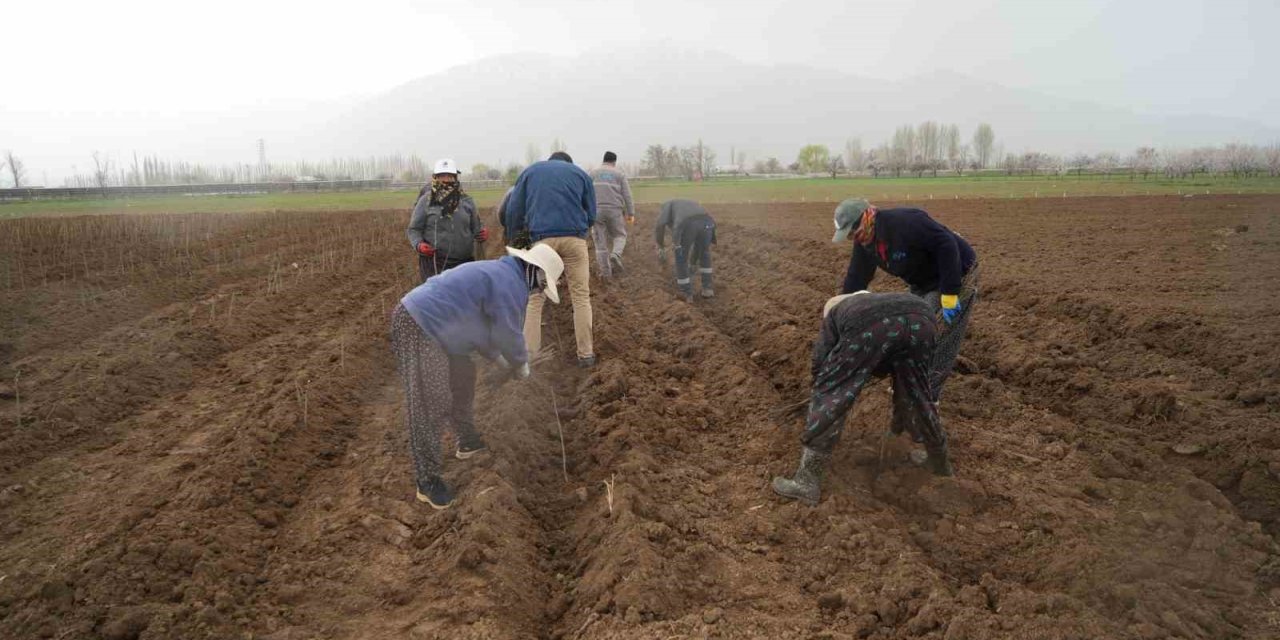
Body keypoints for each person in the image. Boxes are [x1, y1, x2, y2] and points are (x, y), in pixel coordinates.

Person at [391, 243, 564, 509]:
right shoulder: (510, 283)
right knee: (431, 399)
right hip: (419, 322)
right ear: (537, 273)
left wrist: (498, 359)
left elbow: (483, 330)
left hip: (445, 328)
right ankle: (427, 482)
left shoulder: (503, 275)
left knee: (463, 377)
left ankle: (467, 440)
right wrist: (521, 366)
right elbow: (507, 333)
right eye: (542, 286)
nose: (539, 291)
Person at [772, 291, 954, 505]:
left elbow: (822, 359)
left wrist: (822, 386)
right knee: (918, 394)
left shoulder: (836, 315)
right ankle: (939, 463)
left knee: (832, 391)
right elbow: (891, 351)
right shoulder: (874, 301)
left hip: (873, 327)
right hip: (923, 320)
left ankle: (807, 481)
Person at [831, 198, 978, 400]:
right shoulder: (866, 242)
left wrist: (950, 292)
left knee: (934, 332)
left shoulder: (906, 222)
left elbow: (946, 244)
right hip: (922, 281)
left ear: (864, 219)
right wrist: (841, 313)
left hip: (955, 273)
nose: (851, 239)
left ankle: (927, 396)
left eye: (850, 233)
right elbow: (857, 277)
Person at [504, 151, 599, 368]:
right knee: (581, 297)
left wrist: (515, 238)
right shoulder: (581, 174)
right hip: (574, 239)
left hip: (542, 241)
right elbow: (592, 213)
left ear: (550, 160)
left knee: (535, 298)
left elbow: (514, 210)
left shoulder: (531, 172)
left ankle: (530, 355)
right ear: (568, 163)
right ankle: (586, 354)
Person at [407, 159, 489, 281]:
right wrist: (419, 245)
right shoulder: (426, 200)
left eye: (449, 176)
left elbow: (477, 227)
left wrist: (482, 233)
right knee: (438, 297)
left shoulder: (467, 201)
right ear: (435, 178)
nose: (445, 179)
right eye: (441, 176)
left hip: (464, 263)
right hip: (434, 263)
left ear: (455, 178)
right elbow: (414, 229)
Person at [655, 198, 716, 302]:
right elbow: (698, 244)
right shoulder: (685, 203)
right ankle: (708, 288)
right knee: (704, 252)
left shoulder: (667, 206)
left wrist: (660, 246)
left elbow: (660, 225)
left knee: (681, 257)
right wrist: (692, 263)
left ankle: (686, 293)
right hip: (708, 222)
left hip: (688, 225)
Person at [589, 151, 635, 278]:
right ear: (614, 162)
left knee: (600, 244)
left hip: (596, 211)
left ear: (603, 160)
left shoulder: (593, 173)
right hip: (615, 210)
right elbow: (627, 195)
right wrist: (631, 213)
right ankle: (616, 254)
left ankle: (606, 274)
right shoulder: (619, 174)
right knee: (620, 235)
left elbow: (586, 192)